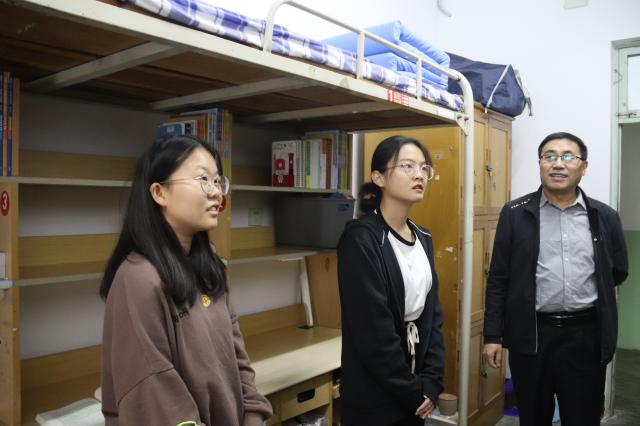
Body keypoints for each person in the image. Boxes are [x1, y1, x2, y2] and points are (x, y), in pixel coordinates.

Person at [99, 135, 272, 425]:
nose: (216, 193)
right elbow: (159, 399)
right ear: (159, 193)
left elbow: (239, 362)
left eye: (218, 181)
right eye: (203, 179)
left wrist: (254, 416)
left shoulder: (211, 269)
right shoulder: (138, 279)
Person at [482, 132, 629, 426]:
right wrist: (492, 336)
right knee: (533, 416)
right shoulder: (514, 214)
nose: (558, 164)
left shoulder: (604, 216)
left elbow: (617, 271)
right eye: (549, 156)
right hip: (532, 334)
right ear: (540, 164)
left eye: (568, 157)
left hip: (585, 336)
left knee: (583, 416)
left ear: (583, 166)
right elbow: (499, 279)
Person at [337, 135, 445, 426]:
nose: (419, 174)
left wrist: (432, 381)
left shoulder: (423, 237)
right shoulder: (361, 238)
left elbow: (433, 316)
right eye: (407, 166)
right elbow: (374, 332)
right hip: (376, 393)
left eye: (424, 168)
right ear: (379, 177)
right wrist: (412, 391)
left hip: (417, 387)